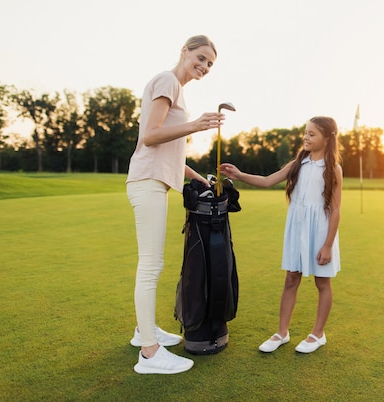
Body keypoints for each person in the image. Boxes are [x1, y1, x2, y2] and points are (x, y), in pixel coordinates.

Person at [126, 35, 225, 374]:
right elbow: (150, 136)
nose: (204, 66)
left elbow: (172, 151)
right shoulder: (167, 80)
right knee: (151, 265)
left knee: (153, 262)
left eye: (210, 64)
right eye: (200, 58)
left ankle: (145, 332)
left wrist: (199, 179)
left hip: (156, 181)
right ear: (184, 51)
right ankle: (150, 353)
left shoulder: (177, 89)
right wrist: (196, 124)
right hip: (148, 181)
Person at [220, 116, 342, 354]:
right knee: (291, 279)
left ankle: (318, 334)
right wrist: (240, 175)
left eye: (312, 134)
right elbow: (267, 181)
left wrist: (328, 245)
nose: (306, 137)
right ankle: (282, 332)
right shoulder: (298, 164)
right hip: (297, 228)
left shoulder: (333, 168)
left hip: (320, 231)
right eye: (305, 133)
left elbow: (336, 209)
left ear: (327, 139)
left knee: (322, 282)